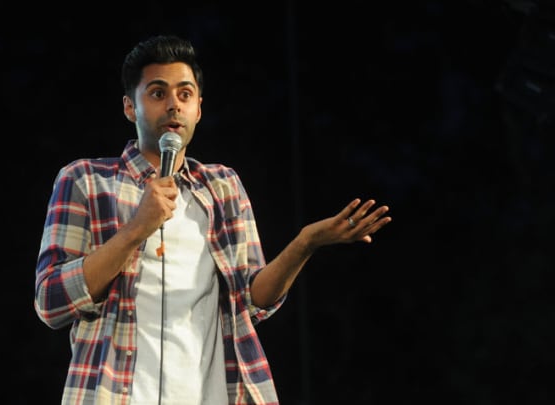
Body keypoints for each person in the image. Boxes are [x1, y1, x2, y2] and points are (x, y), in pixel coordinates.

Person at [33, 34, 392, 405]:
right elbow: (51, 301)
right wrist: (137, 227)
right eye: (157, 93)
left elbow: (254, 300)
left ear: (199, 109)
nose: (173, 104)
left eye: (184, 94)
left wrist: (305, 244)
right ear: (129, 107)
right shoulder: (85, 180)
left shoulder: (223, 186)